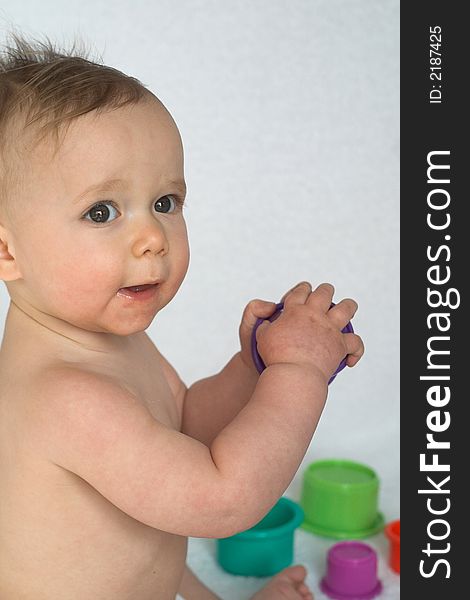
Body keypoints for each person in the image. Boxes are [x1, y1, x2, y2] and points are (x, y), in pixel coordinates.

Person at [0, 31, 364, 600]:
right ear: (7, 252)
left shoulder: (107, 344)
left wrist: (255, 367)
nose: (152, 237)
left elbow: (187, 425)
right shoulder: (63, 396)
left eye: (165, 203)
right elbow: (221, 502)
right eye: (102, 211)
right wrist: (300, 376)